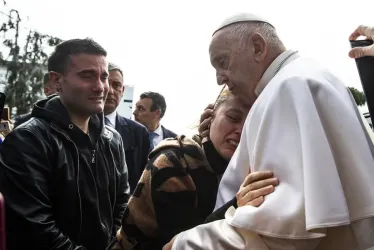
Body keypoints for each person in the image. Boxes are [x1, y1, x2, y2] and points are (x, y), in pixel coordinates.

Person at [164, 13, 374, 250]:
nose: (219, 79)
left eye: (222, 62)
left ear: (257, 46)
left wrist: (186, 244)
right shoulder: (306, 75)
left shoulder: (289, 86)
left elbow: (283, 231)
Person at [0, 38, 130, 250]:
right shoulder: (28, 140)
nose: (100, 87)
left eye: (104, 77)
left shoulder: (112, 139)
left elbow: (122, 207)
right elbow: (35, 227)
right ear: (56, 80)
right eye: (87, 75)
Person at [111, 89, 278, 250]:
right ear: (209, 117)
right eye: (233, 118)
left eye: (252, 123)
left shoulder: (246, 166)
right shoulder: (173, 161)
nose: (241, 130)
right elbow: (176, 244)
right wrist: (236, 205)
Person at [104, 63, 150, 193]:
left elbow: (144, 180)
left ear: (123, 91)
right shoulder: (77, 125)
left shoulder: (139, 133)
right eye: (107, 84)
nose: (111, 91)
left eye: (116, 85)